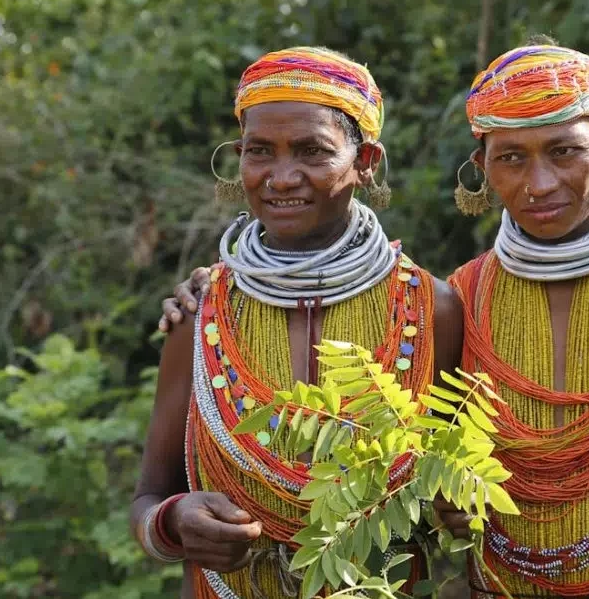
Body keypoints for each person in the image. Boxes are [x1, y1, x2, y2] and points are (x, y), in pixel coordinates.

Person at [164, 41, 589, 599]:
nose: (539, 182)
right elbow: (424, 472)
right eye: (511, 157)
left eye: (566, 151)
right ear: (483, 167)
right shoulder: (460, 303)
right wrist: (446, 507)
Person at [132, 46, 463, 599]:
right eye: (260, 152)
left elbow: (451, 488)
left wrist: (455, 510)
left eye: (313, 151)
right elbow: (147, 497)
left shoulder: (431, 310)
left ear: (366, 162)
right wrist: (174, 521)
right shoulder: (202, 315)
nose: (282, 178)